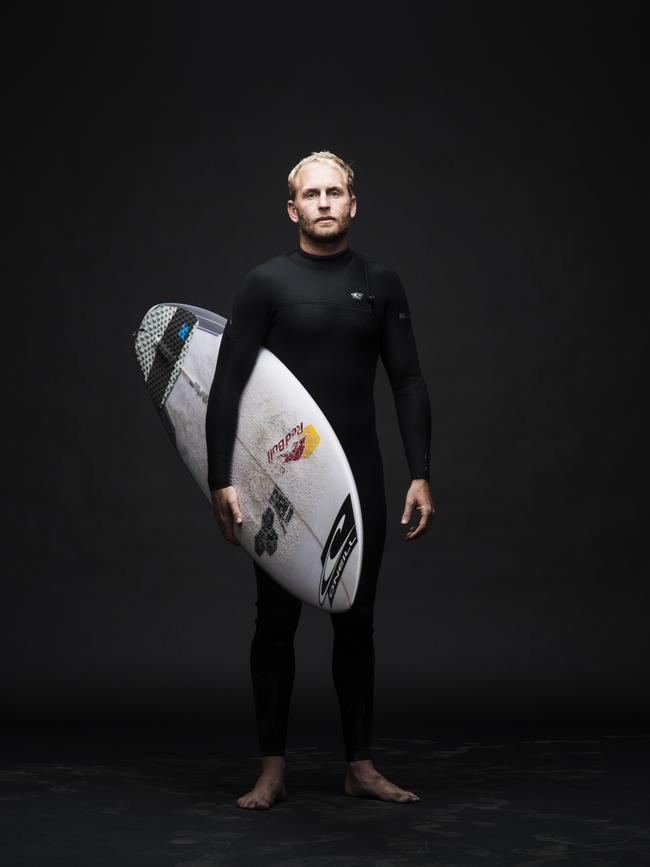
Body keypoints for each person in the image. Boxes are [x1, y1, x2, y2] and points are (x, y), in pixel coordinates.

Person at [205, 151, 435, 809]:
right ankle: (271, 769)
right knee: (274, 621)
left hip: (358, 474)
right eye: (313, 194)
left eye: (336, 192)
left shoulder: (381, 282)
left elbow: (408, 380)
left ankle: (358, 764)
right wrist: (222, 476)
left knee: (356, 622)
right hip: (279, 479)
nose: (326, 202)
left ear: (353, 204)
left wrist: (421, 472)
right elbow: (226, 382)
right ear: (293, 209)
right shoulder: (266, 284)